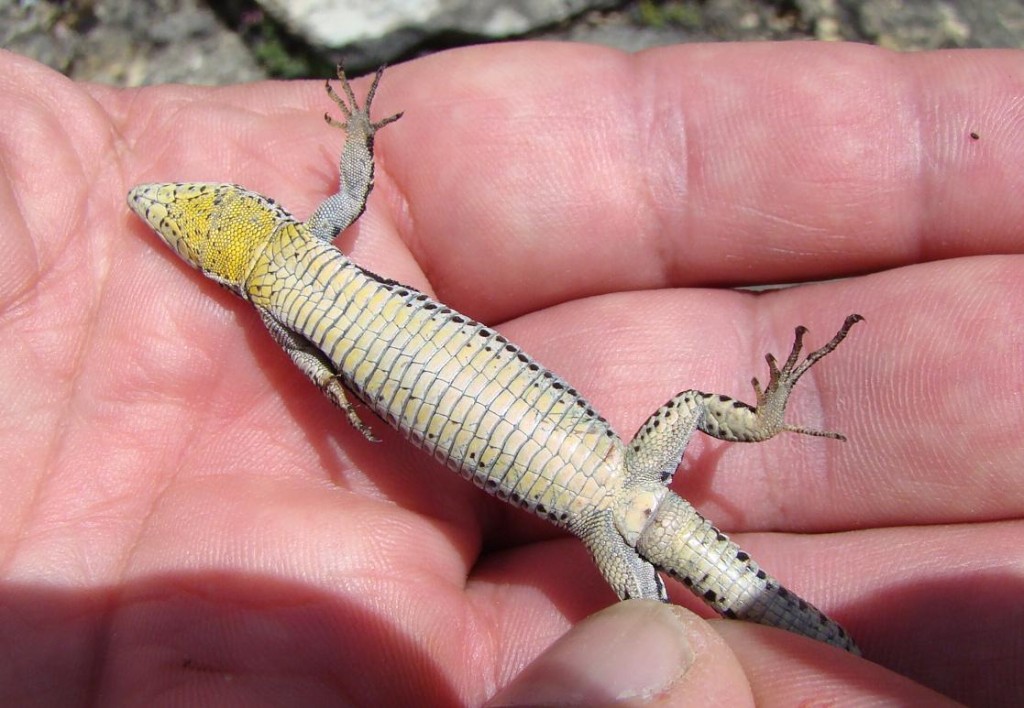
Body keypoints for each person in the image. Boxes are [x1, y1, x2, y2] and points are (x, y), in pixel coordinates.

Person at [1, 42, 1019, 705]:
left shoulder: (277, 304)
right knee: (704, 551)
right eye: (191, 229)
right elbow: (350, 195)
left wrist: (345, 402)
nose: (177, 215)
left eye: (194, 216)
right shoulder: (309, 246)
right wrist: (355, 142)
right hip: (616, 483)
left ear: (232, 252)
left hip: (609, 512)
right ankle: (759, 420)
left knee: (660, 621)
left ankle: (734, 581)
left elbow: (320, 381)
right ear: (241, 239)